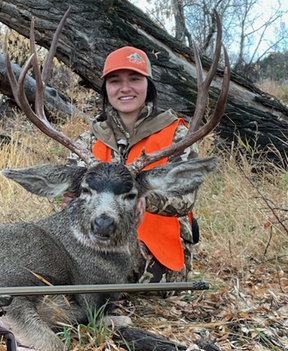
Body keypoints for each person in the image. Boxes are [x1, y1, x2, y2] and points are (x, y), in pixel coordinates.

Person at [65, 46, 199, 284]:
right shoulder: (89, 140)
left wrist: (144, 200)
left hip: (157, 254)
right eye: (115, 81)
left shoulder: (177, 135)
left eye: (134, 79)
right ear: (105, 88)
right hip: (95, 242)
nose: (125, 88)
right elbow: (70, 199)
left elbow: (185, 198)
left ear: (148, 84)